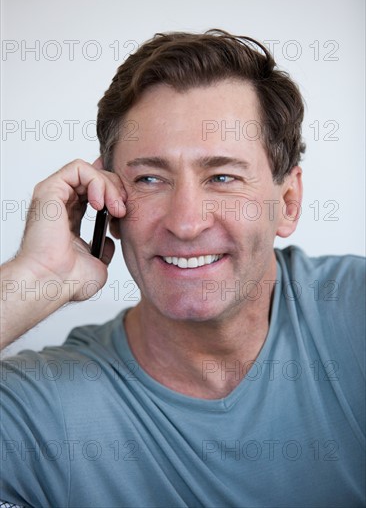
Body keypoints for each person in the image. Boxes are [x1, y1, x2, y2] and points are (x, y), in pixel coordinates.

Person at [0, 29, 365, 508]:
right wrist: (33, 281)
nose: (187, 223)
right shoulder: (41, 411)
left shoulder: (355, 313)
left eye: (222, 177)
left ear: (288, 201)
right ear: (105, 200)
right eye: (150, 178)